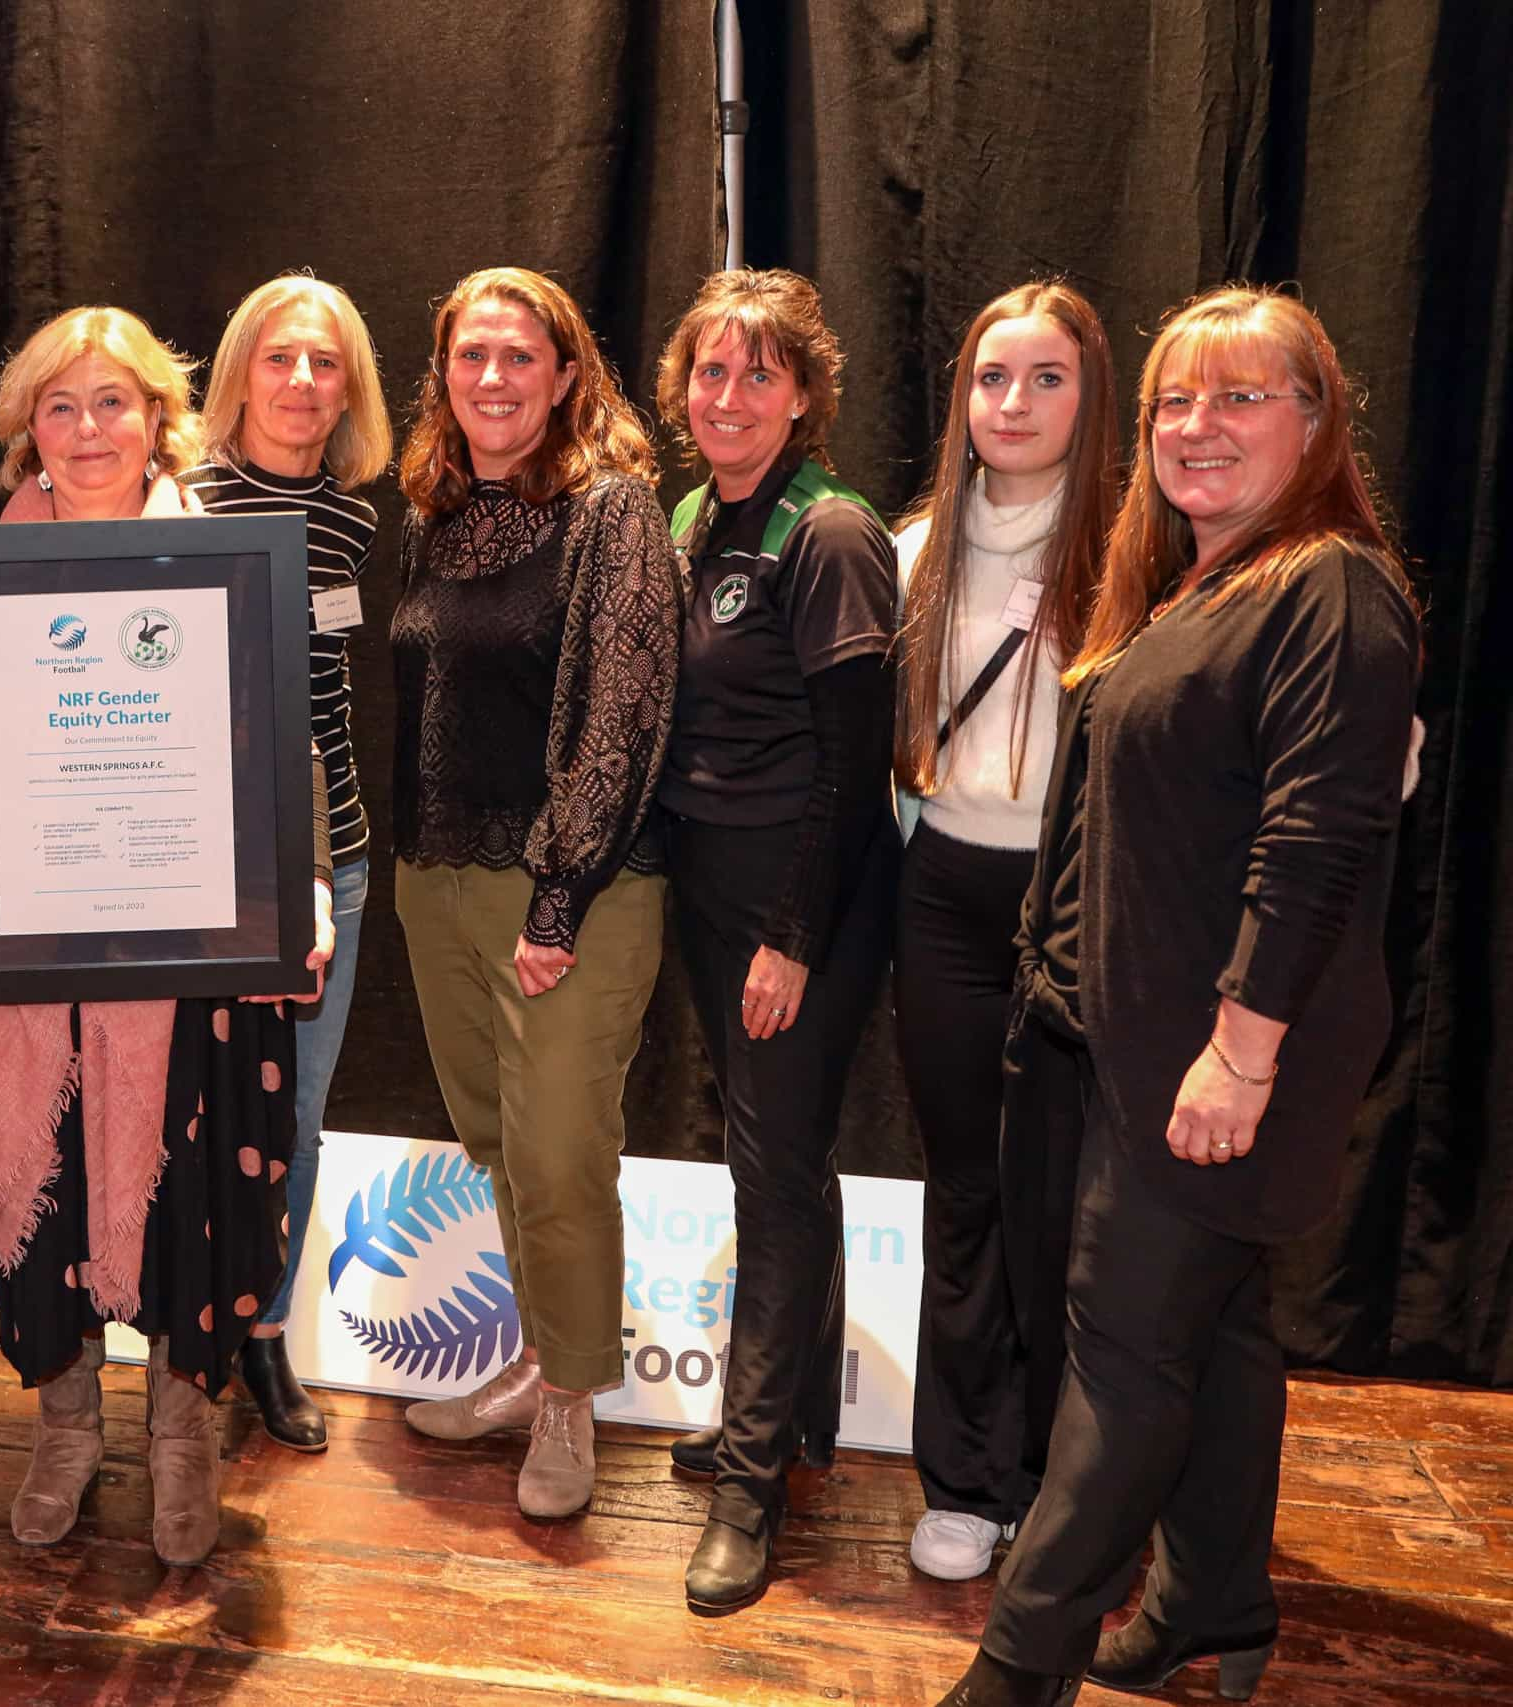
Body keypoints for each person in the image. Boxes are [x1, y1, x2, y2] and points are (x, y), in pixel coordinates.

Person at [936, 289, 1420, 1707]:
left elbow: (1317, 842)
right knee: (1214, 1331)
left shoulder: (1332, 588)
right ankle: (1214, 1595)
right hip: (1132, 1040)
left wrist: (1242, 1055)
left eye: (1241, 397)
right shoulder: (1201, 579)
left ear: (1317, 423)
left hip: (1219, 1055)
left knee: (1126, 1354)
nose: (1196, 427)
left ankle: (1020, 1669)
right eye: (1173, 401)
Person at [0, 305, 334, 1567]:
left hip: (190, 959)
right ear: (29, 428)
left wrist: (309, 896)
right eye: (59, 407)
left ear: (158, 421)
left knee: (198, 1195)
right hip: (28, 957)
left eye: (112, 403)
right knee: (48, 1200)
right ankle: (66, 1426)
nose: (86, 430)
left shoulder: (224, 561)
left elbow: (275, 747)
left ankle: (182, 1434)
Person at [389, 266, 680, 1522]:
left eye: (519, 356)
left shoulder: (612, 511)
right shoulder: (427, 516)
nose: (493, 378)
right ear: (442, 379)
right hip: (432, 879)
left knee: (561, 1152)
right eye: (470, 358)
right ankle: (533, 1357)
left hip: (571, 888)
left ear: (567, 376)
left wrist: (559, 897)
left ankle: (571, 1400)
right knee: (497, 1139)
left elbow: (624, 708)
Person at [650, 268, 898, 1608]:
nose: (727, 397)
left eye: (757, 374)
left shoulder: (834, 531)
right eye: (709, 371)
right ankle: (799, 1415)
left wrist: (793, 934)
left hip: (800, 893)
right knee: (786, 1157)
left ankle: (750, 1492)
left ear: (803, 394)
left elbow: (854, 766)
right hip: (709, 879)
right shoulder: (696, 510)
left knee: (770, 1173)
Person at [889, 282, 1119, 1581]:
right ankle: (963, 1479)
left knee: (1070, 1209)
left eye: (1044, 378)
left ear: (1091, 396)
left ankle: (1057, 1480)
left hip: (1084, 904)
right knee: (968, 1195)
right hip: (950, 902)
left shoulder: (1135, 554)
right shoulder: (918, 548)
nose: (1014, 403)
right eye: (992, 378)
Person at [182, 274, 390, 1454]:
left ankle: (262, 1339)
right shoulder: (184, 502)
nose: (303, 384)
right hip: (208, 867)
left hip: (339, 865)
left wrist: (325, 860)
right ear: (239, 372)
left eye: (325, 363)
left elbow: (329, 702)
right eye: (279, 359)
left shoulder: (356, 516)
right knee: (203, 1115)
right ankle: (190, 1347)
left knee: (298, 1119)